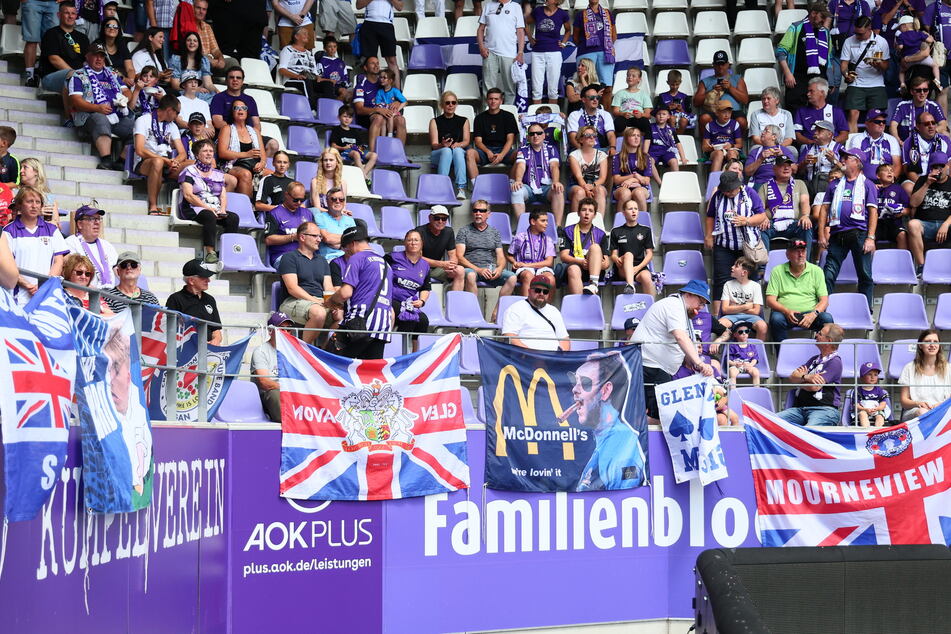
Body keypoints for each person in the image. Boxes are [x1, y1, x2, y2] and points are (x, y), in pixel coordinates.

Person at [630, 279, 715, 424]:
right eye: (700, 302)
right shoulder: (674, 306)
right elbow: (680, 337)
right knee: (660, 416)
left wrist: (692, 362)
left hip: (655, 367)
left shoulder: (679, 308)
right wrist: (699, 363)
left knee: (658, 415)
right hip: (650, 366)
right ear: (689, 295)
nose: (701, 307)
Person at [818, 147, 878, 307]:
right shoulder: (834, 184)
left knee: (865, 274)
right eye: (842, 157)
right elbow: (824, 209)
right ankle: (823, 309)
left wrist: (870, 237)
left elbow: (873, 211)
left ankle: (867, 309)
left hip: (859, 234)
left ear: (857, 162)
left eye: (847, 157)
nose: (842, 160)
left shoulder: (868, 184)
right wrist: (821, 235)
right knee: (828, 273)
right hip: (837, 234)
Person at [705, 170, 766, 318]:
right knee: (721, 281)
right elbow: (710, 216)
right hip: (724, 245)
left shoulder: (750, 193)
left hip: (747, 247)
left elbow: (762, 216)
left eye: (731, 190)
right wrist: (708, 235)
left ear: (738, 186)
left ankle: (757, 317)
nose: (728, 193)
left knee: (752, 280)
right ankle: (718, 318)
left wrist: (747, 221)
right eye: (726, 190)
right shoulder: (718, 196)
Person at [327, 225, 394, 360]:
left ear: (352, 243)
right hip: (382, 325)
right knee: (370, 373)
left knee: (332, 363)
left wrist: (331, 301)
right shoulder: (386, 264)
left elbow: (345, 293)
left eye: (345, 247)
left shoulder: (357, 258)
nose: (346, 251)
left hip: (359, 321)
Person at [68, 43, 134, 171]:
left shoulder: (113, 74)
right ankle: (106, 160)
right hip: (90, 115)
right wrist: (97, 108)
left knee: (136, 128)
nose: (99, 59)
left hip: (116, 114)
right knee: (100, 119)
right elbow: (76, 101)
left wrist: (124, 100)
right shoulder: (78, 75)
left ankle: (121, 161)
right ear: (87, 56)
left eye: (102, 56)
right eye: (95, 55)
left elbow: (127, 91)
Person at [177, 139, 239, 264]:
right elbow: (188, 195)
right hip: (192, 206)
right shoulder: (189, 171)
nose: (209, 153)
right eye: (205, 151)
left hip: (214, 207)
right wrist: (208, 208)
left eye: (211, 151)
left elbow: (222, 196)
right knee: (209, 215)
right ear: (197, 154)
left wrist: (222, 209)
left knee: (233, 218)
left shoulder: (218, 174)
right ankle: (210, 252)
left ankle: (226, 251)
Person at [4, 186, 68, 306]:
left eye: (37, 202)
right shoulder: (8, 231)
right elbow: (6, 265)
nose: (34, 206)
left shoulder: (52, 230)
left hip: (45, 296)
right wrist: (27, 285)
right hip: (17, 299)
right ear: (19, 205)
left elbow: (58, 261)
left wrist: (44, 286)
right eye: (29, 201)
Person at [454, 201, 514, 320]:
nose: (478, 213)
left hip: (490, 269)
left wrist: (499, 268)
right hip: (472, 268)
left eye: (482, 211)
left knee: (512, 277)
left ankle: (496, 313)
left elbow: (501, 257)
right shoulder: (464, 231)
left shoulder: (494, 232)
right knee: (471, 275)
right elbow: (459, 257)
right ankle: (473, 314)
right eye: (475, 210)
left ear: (488, 214)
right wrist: (478, 270)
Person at [765, 239, 832, 342]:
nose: (801, 255)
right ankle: (782, 356)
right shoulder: (777, 271)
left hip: (810, 313)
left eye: (803, 251)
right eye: (796, 251)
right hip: (786, 314)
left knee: (826, 319)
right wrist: (786, 311)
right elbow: (770, 300)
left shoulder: (816, 271)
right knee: (776, 319)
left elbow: (824, 300)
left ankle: (824, 355)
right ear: (788, 255)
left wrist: (814, 314)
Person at [778, 323, 845, 427]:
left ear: (829, 341)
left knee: (808, 432)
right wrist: (806, 377)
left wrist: (800, 380)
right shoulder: (813, 360)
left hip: (824, 410)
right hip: (800, 410)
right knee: (771, 421)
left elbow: (814, 387)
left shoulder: (835, 362)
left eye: (820, 334)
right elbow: (792, 377)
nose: (816, 335)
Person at [278, 221, 331, 345]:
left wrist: (332, 302)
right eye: (315, 236)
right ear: (302, 237)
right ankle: (302, 351)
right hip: (294, 300)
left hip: (318, 302)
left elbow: (328, 287)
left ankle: (325, 351)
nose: (319, 240)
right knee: (318, 313)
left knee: (341, 315)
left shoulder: (322, 260)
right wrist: (315, 301)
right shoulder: (289, 257)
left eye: (320, 237)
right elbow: (292, 289)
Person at [135, 95, 187, 216]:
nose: (177, 116)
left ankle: (190, 208)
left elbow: (182, 153)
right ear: (169, 110)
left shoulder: (172, 126)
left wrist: (176, 161)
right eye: (177, 113)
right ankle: (153, 205)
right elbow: (139, 149)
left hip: (167, 163)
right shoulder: (143, 120)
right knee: (157, 162)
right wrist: (163, 160)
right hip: (146, 161)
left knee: (194, 165)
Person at [776, 2, 832, 111]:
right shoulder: (796, 28)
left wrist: (831, 80)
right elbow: (780, 52)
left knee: (818, 112)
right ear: (813, 13)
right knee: (795, 111)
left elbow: (828, 58)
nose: (824, 20)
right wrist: (788, 74)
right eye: (822, 17)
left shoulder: (825, 32)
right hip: (797, 78)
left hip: (819, 79)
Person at [839, 16, 890, 133]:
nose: (858, 36)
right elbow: (843, 64)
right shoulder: (849, 41)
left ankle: (874, 143)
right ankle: (853, 144)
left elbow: (886, 66)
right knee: (853, 113)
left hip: (876, 83)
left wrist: (877, 64)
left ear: (869, 28)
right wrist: (846, 74)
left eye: (861, 34)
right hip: (856, 83)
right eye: (856, 33)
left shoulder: (881, 41)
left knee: (876, 116)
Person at [385, 230, 432, 351]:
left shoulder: (425, 265)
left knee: (423, 320)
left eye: (416, 240)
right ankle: (395, 350)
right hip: (390, 299)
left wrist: (421, 301)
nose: (413, 243)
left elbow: (426, 288)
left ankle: (415, 355)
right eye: (410, 239)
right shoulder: (392, 257)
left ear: (421, 243)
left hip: (409, 302)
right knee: (408, 319)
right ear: (405, 243)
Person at [908, 151, 951, 278]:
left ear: (947, 166)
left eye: (941, 166)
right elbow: (914, 203)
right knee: (912, 224)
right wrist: (927, 184)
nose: (938, 170)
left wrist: (946, 224)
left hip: (946, 224)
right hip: (926, 224)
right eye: (934, 167)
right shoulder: (922, 180)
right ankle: (922, 267)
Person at [511, 122, 564, 223]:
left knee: (558, 190)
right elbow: (521, 166)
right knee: (516, 190)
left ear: (544, 135)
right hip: (528, 187)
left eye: (539, 133)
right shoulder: (523, 150)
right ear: (527, 137)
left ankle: (557, 227)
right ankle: (523, 227)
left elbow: (554, 166)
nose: (535, 136)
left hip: (546, 188)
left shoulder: (551, 149)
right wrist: (518, 180)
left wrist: (556, 181)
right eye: (532, 134)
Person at [758, 156, 813, 253]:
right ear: (774, 168)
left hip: (794, 224)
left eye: (788, 165)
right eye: (782, 165)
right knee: (761, 228)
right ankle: (763, 266)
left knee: (806, 226)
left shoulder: (799, 184)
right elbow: (759, 208)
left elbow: (805, 201)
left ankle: (805, 264)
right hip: (772, 223)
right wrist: (763, 218)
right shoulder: (765, 186)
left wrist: (805, 216)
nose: (786, 168)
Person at [501, 274, 569, 351]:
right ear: (529, 291)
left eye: (545, 292)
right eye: (538, 290)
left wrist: (561, 356)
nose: (541, 294)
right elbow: (510, 336)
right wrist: (530, 353)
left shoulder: (554, 311)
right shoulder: (515, 308)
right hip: (526, 357)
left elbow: (564, 339)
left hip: (553, 359)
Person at [217, 99, 269, 198]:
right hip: (233, 166)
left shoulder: (255, 131)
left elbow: (263, 155)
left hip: (254, 165)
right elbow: (222, 153)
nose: (240, 110)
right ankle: (247, 209)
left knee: (274, 175)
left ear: (247, 112)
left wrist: (261, 164)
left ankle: (268, 208)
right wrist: (246, 154)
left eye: (243, 108)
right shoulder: (227, 129)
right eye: (236, 108)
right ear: (232, 113)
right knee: (246, 174)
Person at [477, 0, 525, 104]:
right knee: (488, 88)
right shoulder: (488, 5)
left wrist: (520, 52)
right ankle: (487, 115)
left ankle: (508, 114)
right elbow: (481, 29)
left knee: (510, 88)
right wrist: (482, 47)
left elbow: (520, 31)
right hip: (490, 52)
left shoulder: (516, 6)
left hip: (509, 53)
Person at [166, 258, 222, 344]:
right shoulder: (175, 299)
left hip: (208, 351)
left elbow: (216, 330)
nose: (208, 280)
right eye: (204, 277)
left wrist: (215, 340)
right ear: (191, 280)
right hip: (185, 351)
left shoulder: (210, 299)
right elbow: (170, 331)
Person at [466, 89, 519, 181]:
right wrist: (488, 152)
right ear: (487, 100)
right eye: (490, 99)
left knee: (520, 154)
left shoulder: (509, 116)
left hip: (504, 150)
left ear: (501, 101)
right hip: (485, 151)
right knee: (470, 153)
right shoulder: (479, 118)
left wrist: (502, 155)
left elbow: (510, 140)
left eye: (496, 99)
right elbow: (478, 142)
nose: (493, 101)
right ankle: (476, 186)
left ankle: (512, 185)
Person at [560, 198, 609, 296]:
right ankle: (580, 307)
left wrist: (594, 263)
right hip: (575, 267)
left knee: (595, 247)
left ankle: (594, 284)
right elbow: (563, 256)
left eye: (590, 211)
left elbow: (606, 263)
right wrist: (581, 262)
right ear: (578, 213)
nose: (587, 213)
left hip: (594, 271)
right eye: (583, 210)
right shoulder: (567, 231)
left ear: (594, 215)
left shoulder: (600, 234)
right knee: (573, 269)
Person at [899, 329, 951, 420]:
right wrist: (918, 403)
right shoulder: (909, 368)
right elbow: (904, 401)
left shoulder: (948, 368)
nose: (932, 345)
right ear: (920, 345)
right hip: (916, 411)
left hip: (942, 409)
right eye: (927, 341)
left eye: (935, 342)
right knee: (923, 412)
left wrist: (940, 405)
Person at [252, 312, 294, 422]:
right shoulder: (261, 351)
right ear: (271, 331)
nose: (285, 332)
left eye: (288, 329)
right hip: (269, 394)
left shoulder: (294, 352)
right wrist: (287, 388)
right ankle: (290, 423)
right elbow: (264, 382)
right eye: (281, 329)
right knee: (275, 394)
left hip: (289, 392)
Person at [693, 50, 749, 133]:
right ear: (713, 65)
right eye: (717, 64)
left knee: (742, 121)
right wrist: (712, 92)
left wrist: (730, 88)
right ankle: (706, 145)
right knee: (704, 118)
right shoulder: (705, 81)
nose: (720, 67)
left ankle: (737, 145)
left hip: (733, 112)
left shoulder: (737, 79)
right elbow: (696, 103)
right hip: (714, 112)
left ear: (727, 65)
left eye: (722, 64)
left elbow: (745, 100)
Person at [37, 3, 89, 93]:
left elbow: (88, 59)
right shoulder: (51, 34)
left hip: (78, 77)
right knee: (73, 78)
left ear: (76, 16)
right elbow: (54, 59)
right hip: (51, 78)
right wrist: (76, 75)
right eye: (66, 13)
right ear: (59, 15)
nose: (70, 16)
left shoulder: (83, 38)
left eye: (73, 13)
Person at [526, 0, 570, 105]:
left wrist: (564, 43)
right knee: (536, 88)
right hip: (537, 52)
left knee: (553, 88)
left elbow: (568, 30)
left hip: (554, 52)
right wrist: (530, 38)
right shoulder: (538, 11)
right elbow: (525, 23)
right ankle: (536, 117)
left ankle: (552, 117)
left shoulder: (562, 13)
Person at [64, 204, 118, 288]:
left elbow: (118, 272)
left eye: (98, 219)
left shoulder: (107, 245)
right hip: (84, 293)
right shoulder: (70, 243)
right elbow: (71, 275)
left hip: (109, 295)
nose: (97, 222)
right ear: (80, 224)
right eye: (92, 219)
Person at [431, 91, 472, 200]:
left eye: (453, 103)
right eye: (447, 102)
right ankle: (442, 187)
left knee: (458, 150)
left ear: (456, 104)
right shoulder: (434, 121)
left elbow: (466, 141)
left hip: (457, 153)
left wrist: (458, 144)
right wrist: (442, 145)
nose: (450, 105)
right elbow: (434, 145)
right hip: (439, 153)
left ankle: (461, 189)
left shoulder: (464, 120)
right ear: (442, 105)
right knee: (446, 151)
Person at [609, 199, 654, 296]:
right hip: (622, 268)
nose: (634, 211)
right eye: (630, 209)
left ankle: (652, 306)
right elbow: (613, 255)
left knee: (646, 276)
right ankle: (630, 286)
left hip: (639, 267)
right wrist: (616, 259)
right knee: (629, 255)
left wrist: (638, 268)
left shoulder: (646, 230)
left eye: (636, 209)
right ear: (624, 213)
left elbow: (649, 254)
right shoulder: (616, 231)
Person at [506, 209, 556, 295]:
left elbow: (549, 262)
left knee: (551, 279)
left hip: (541, 268)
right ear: (533, 221)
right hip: (523, 269)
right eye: (543, 221)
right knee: (528, 276)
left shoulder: (548, 240)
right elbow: (509, 255)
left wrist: (527, 265)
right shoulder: (520, 237)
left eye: (547, 221)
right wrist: (515, 262)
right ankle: (527, 306)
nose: (546, 224)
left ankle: (545, 306)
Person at [264, 181, 314, 267]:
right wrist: (293, 237)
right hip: (283, 256)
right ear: (286, 195)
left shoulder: (307, 213)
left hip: (307, 255)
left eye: (302, 200)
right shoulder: (275, 213)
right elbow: (268, 240)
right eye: (295, 199)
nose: (299, 203)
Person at [846, 108, 902, 180]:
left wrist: (890, 181)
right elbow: (854, 163)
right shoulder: (857, 139)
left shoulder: (892, 140)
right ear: (867, 123)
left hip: (887, 182)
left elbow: (897, 165)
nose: (881, 124)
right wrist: (865, 183)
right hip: (863, 181)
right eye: (877, 121)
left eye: (883, 122)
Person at [718, 256, 767, 339]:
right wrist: (746, 306)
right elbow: (725, 309)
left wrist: (734, 306)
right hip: (731, 317)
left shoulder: (756, 286)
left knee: (763, 326)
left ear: (744, 272)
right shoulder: (728, 284)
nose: (732, 267)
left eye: (736, 266)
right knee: (720, 324)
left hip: (751, 317)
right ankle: (724, 350)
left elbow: (756, 311)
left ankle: (758, 350)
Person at [357, 0, 402, 89]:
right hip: (369, 23)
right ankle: (369, 92)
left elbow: (400, 7)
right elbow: (358, 5)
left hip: (387, 25)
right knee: (369, 61)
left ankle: (397, 94)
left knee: (392, 60)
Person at [890, 76, 949, 143]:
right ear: (912, 92)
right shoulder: (902, 105)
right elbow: (893, 125)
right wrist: (898, 141)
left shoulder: (934, 106)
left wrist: (928, 132)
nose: (922, 93)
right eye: (918, 90)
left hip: (928, 143)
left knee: (945, 134)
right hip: (906, 144)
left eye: (925, 90)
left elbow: (943, 124)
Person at [572, 0, 616, 87]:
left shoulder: (608, 13)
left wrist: (609, 47)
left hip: (605, 53)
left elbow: (613, 35)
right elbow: (575, 37)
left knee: (607, 86)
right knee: (584, 86)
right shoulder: (580, 14)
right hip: (586, 52)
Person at [902, 111, 951, 190]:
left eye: (933, 123)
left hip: (940, 180)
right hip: (918, 181)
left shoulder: (945, 140)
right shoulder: (909, 142)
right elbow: (908, 171)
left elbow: (949, 166)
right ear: (918, 126)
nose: (931, 126)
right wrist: (925, 185)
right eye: (926, 124)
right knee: (907, 186)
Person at [793, 78, 849, 145]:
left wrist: (830, 144)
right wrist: (812, 143)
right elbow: (796, 134)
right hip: (808, 147)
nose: (808, 94)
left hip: (831, 148)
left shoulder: (836, 111)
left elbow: (844, 134)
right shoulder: (801, 111)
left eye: (811, 91)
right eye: (808, 91)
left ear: (822, 92)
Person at [567, 125, 609, 215]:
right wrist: (586, 189)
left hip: (596, 184)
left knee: (600, 190)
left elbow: (602, 178)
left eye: (594, 135)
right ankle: (575, 225)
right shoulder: (573, 155)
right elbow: (578, 177)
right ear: (581, 139)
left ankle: (598, 224)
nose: (591, 137)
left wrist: (592, 186)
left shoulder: (602, 155)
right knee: (580, 192)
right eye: (587, 135)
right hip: (577, 185)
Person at [416, 205, 462, 286]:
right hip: (420, 268)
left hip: (437, 269)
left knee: (460, 271)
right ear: (430, 218)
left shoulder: (449, 231)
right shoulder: (419, 231)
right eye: (437, 218)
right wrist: (442, 264)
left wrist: (452, 266)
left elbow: (453, 255)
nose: (440, 221)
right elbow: (417, 257)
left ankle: (455, 298)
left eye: (444, 219)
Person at [798, 120, 844, 197]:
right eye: (815, 130)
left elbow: (846, 169)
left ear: (829, 134)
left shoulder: (839, 148)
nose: (815, 133)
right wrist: (804, 163)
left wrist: (834, 161)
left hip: (831, 184)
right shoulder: (807, 148)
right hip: (810, 184)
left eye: (819, 130)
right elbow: (799, 172)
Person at [612, 127, 653, 211]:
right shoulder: (617, 157)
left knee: (639, 193)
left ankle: (642, 222)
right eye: (633, 135)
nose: (636, 138)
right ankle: (620, 222)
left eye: (638, 135)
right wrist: (634, 176)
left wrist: (631, 180)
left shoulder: (645, 157)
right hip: (621, 187)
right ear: (626, 139)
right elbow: (616, 180)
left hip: (641, 187)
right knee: (625, 193)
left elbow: (646, 181)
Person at [330, 105, 376, 180]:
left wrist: (361, 147)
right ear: (339, 117)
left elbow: (360, 145)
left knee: (374, 155)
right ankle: (365, 178)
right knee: (356, 153)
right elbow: (333, 145)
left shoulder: (354, 131)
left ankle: (362, 176)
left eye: (350, 117)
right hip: (344, 152)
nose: (347, 119)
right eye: (345, 116)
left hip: (356, 151)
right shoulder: (336, 130)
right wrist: (343, 148)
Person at [567, 83, 616, 151]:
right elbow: (572, 137)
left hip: (601, 150)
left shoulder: (605, 114)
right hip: (580, 150)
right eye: (592, 98)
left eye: (597, 98)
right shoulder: (574, 115)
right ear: (583, 100)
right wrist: (585, 152)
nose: (595, 100)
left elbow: (611, 134)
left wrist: (612, 147)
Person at [168, 31, 216, 103]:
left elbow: (208, 83)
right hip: (183, 93)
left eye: (195, 41)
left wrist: (218, 92)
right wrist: (195, 89)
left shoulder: (203, 60)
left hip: (201, 94)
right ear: (185, 43)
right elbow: (175, 84)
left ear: (199, 44)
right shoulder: (176, 60)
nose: (192, 43)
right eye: (189, 40)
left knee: (215, 100)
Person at [896, 14, 940, 89]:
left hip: (909, 60)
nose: (900, 29)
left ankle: (902, 84)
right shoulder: (919, 33)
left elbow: (900, 47)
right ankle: (937, 81)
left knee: (901, 71)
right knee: (935, 65)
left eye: (900, 27)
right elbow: (930, 40)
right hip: (922, 58)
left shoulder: (901, 36)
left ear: (904, 26)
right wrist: (931, 38)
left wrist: (897, 46)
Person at [610, 67, 652, 143]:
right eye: (628, 75)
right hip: (624, 117)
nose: (630, 77)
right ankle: (627, 137)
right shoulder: (620, 93)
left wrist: (641, 115)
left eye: (633, 76)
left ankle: (641, 141)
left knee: (646, 123)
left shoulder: (644, 94)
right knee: (617, 123)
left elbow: (648, 114)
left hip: (638, 118)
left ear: (639, 79)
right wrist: (622, 113)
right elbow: (615, 111)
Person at [875, 163, 910, 250]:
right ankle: (870, 262)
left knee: (902, 235)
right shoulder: (873, 189)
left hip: (894, 222)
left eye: (891, 171)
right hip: (877, 223)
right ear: (878, 176)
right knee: (869, 236)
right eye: (886, 171)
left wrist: (901, 212)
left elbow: (908, 209)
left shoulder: (898, 189)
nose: (889, 172)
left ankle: (902, 262)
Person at [314, 187, 356, 262]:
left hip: (348, 259)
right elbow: (327, 238)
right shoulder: (320, 217)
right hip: (328, 260)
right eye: (334, 199)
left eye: (341, 199)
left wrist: (337, 243)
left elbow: (354, 242)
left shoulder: (350, 220)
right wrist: (346, 240)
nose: (338, 201)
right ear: (327, 201)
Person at [702, 100, 743, 173]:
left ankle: (734, 181)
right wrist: (710, 147)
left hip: (731, 148)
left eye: (729, 112)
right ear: (717, 113)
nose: (727, 115)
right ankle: (714, 183)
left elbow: (740, 144)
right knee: (719, 153)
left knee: (732, 153)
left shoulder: (735, 124)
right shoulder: (710, 125)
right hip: (715, 151)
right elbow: (704, 147)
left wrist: (731, 145)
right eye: (724, 112)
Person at [92, 16, 133, 85]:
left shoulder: (122, 45)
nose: (112, 28)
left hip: (122, 80)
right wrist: (123, 79)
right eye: (109, 26)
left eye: (115, 26)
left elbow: (130, 69)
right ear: (103, 28)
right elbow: (105, 68)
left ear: (118, 30)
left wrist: (131, 80)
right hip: (104, 80)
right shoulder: (97, 44)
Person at [648, 105, 686, 179]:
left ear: (668, 116)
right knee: (649, 161)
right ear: (655, 116)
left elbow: (678, 143)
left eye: (664, 114)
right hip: (653, 152)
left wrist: (683, 158)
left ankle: (675, 182)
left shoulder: (671, 129)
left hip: (667, 152)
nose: (661, 116)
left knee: (674, 161)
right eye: (659, 114)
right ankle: (660, 183)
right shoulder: (650, 128)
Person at [849, 361, 890, 427]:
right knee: (863, 414)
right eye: (869, 374)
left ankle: (878, 431)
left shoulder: (879, 390)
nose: (872, 377)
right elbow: (856, 405)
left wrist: (878, 408)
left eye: (875, 375)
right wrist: (865, 409)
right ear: (862, 377)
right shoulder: (858, 390)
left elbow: (883, 403)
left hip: (876, 410)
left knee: (880, 416)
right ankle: (866, 430)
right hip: (863, 410)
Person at [371, 69, 407, 145]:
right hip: (384, 111)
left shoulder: (395, 91)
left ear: (390, 80)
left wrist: (397, 110)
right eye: (380, 77)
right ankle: (383, 140)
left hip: (392, 112)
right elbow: (378, 103)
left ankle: (390, 135)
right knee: (383, 121)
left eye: (384, 77)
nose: (381, 79)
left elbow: (404, 101)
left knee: (390, 116)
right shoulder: (380, 91)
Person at [654, 69, 694, 135]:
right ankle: (672, 138)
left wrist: (681, 109)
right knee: (672, 118)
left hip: (681, 117)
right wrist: (668, 108)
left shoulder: (685, 97)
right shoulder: (662, 96)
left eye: (677, 84)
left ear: (680, 82)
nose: (675, 87)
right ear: (668, 82)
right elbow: (657, 111)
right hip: (668, 118)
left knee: (684, 120)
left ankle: (677, 138)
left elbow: (689, 111)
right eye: (672, 85)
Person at [192, 0, 226, 73]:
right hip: (196, 61)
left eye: (204, 9)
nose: (201, 11)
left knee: (233, 62)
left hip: (212, 61)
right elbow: (190, 52)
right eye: (198, 8)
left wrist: (221, 58)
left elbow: (215, 50)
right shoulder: (187, 26)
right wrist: (207, 59)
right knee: (205, 63)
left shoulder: (207, 27)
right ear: (192, 8)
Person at [725, 322, 760, 387]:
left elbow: (755, 358)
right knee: (732, 372)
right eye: (741, 332)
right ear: (735, 335)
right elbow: (728, 360)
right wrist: (735, 364)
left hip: (748, 365)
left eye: (746, 331)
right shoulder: (732, 346)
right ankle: (733, 391)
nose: (744, 333)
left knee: (756, 372)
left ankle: (756, 389)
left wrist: (750, 365)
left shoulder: (752, 346)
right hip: (736, 366)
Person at [310, 148, 344, 212]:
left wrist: (344, 212)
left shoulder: (342, 182)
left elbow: (343, 205)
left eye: (331, 160)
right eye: (325, 160)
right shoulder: (315, 181)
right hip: (321, 214)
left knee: (359, 221)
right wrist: (333, 213)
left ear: (337, 162)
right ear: (322, 162)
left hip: (336, 214)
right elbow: (317, 207)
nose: (328, 163)